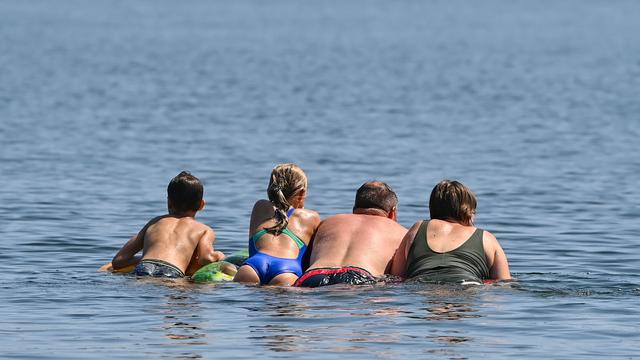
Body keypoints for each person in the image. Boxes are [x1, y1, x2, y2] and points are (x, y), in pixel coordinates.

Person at [390, 180, 510, 284]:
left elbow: (396, 276)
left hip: (422, 285)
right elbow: (504, 282)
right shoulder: (486, 238)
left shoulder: (417, 227)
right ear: (469, 211)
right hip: (467, 285)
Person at [111, 171, 224, 278]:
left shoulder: (155, 222)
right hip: (172, 271)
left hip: (144, 267)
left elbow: (119, 260)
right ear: (201, 205)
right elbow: (206, 259)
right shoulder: (204, 230)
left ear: (169, 202)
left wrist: (145, 258)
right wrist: (219, 255)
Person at [295, 181, 407, 287]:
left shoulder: (327, 222)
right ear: (393, 212)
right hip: (360, 278)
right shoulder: (399, 231)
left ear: (354, 209)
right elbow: (399, 276)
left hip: (313, 275)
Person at [233, 164, 321, 286]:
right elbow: (309, 261)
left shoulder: (260, 206)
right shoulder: (311, 217)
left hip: (252, 267)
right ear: (301, 193)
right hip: (287, 271)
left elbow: (251, 250)